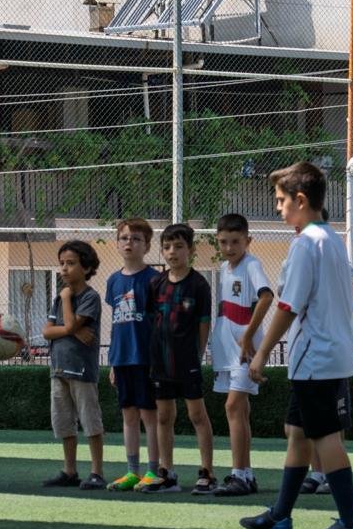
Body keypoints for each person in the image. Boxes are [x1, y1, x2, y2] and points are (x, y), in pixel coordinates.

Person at [240, 161, 353, 529]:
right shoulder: (330, 239)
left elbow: (287, 306)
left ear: (301, 200)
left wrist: (261, 354)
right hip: (329, 355)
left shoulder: (305, 244)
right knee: (296, 432)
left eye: (281, 201)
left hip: (316, 359)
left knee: (325, 437)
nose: (278, 208)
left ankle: (350, 524)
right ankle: (280, 516)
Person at [145, 223, 215, 494]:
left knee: (197, 415)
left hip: (187, 363)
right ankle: (167, 472)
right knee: (164, 416)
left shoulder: (199, 284)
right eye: (167, 247)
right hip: (160, 362)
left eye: (178, 246)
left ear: (191, 250)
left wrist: (196, 356)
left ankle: (207, 472)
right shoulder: (156, 284)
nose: (172, 252)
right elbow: (153, 320)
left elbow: (203, 324)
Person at [210, 213, 274, 497]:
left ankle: (238, 473)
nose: (229, 247)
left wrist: (248, 335)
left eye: (235, 241)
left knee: (233, 407)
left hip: (245, 348)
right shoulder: (224, 268)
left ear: (248, 240)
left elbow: (267, 296)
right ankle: (246, 475)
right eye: (223, 242)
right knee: (240, 409)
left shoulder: (252, 265)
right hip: (228, 348)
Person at [41, 239, 105, 490]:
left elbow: (67, 324)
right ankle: (70, 471)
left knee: (90, 420)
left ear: (86, 268)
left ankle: (97, 472)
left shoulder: (89, 297)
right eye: (62, 264)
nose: (64, 269)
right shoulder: (59, 299)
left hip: (81, 370)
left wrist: (67, 299)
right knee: (64, 421)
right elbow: (47, 332)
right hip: (58, 369)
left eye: (71, 263)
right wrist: (72, 331)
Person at [105, 217, 162, 491]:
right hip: (122, 358)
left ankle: (153, 471)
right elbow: (117, 324)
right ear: (118, 244)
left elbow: (161, 323)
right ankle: (132, 472)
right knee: (128, 415)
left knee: (149, 415)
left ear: (147, 245)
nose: (130, 243)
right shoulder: (113, 281)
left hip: (146, 359)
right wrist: (113, 362)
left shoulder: (154, 280)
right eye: (125, 238)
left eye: (136, 239)